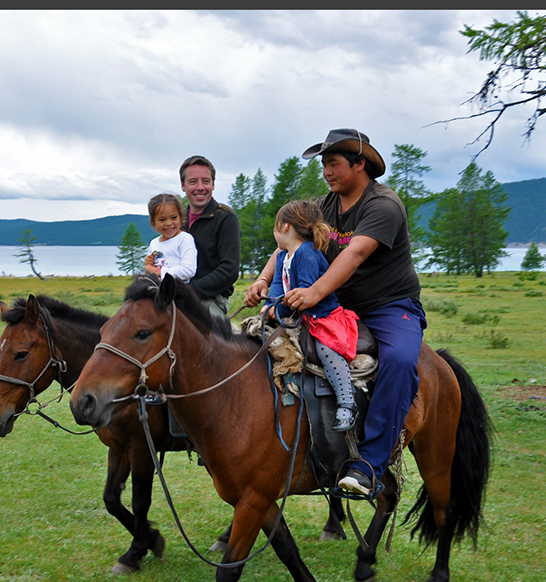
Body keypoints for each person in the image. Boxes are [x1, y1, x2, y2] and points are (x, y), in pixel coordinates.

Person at [244, 129, 423, 496]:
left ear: (360, 165)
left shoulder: (382, 205)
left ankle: (370, 465)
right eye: (324, 164)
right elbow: (287, 246)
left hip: (388, 307)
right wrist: (263, 280)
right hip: (336, 307)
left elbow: (354, 254)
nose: (326, 171)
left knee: (402, 361)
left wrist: (313, 292)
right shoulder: (324, 207)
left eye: (333, 163)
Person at [261, 200, 361, 432]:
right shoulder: (282, 256)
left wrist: (281, 311)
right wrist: (269, 308)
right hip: (296, 316)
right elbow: (278, 285)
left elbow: (304, 295)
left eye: (275, 227)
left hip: (321, 316)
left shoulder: (306, 253)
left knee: (326, 349)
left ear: (285, 227)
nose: (274, 232)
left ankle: (347, 402)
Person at [178, 155, 241, 319]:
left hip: (210, 300)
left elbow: (229, 270)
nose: (200, 187)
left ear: (213, 184)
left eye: (205, 181)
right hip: (176, 295)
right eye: (193, 182)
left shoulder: (225, 217)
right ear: (183, 186)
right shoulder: (177, 220)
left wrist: (189, 290)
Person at [141, 194, 197, 282]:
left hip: (179, 291)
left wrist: (158, 272)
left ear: (181, 217)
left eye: (174, 217)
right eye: (162, 219)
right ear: (153, 222)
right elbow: (151, 273)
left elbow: (188, 270)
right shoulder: (154, 243)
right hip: (158, 291)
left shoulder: (184, 239)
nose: (169, 223)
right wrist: (149, 265)